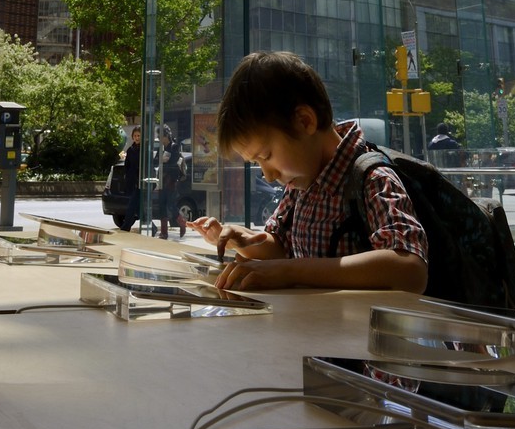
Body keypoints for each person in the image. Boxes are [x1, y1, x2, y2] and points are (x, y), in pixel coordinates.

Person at [188, 51, 427, 293]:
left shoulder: (372, 179)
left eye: (266, 156)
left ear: (304, 121)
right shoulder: (299, 183)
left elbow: (409, 269)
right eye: (256, 162)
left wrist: (290, 271)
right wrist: (244, 241)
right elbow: (281, 248)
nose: (269, 176)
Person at [157, 124, 186, 240]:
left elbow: (173, 163)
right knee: (162, 205)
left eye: (160, 136)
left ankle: (182, 222)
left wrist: (164, 162)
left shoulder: (174, 147)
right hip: (161, 180)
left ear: (166, 136)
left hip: (171, 181)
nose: (159, 139)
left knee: (170, 205)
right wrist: (162, 160)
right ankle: (164, 232)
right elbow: (156, 161)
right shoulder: (161, 148)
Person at [119, 126, 142, 233]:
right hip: (132, 182)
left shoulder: (144, 150)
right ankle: (152, 227)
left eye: (139, 136)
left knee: (132, 206)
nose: (137, 138)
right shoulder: (131, 150)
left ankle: (125, 227)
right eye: (135, 136)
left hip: (140, 182)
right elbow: (127, 166)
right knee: (137, 208)